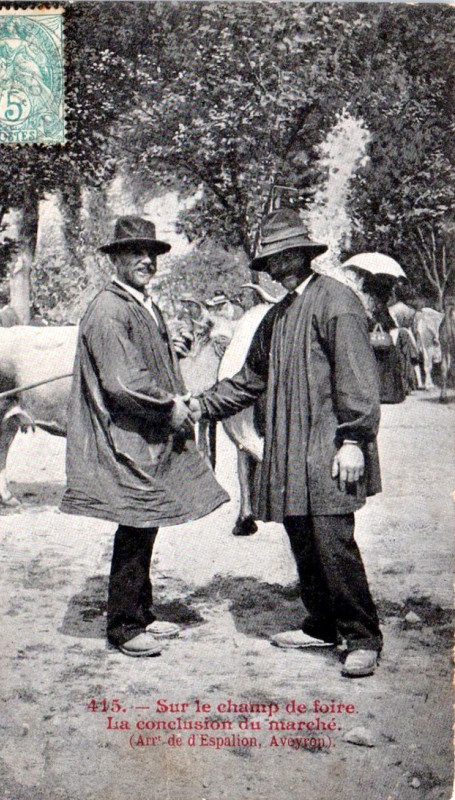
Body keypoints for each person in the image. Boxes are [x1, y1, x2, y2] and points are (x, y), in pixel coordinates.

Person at [190, 209, 405, 678]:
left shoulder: (337, 302)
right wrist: (200, 405)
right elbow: (249, 379)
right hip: (289, 448)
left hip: (330, 446)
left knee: (333, 542)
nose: (278, 265)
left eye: (286, 255)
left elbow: (358, 378)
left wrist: (354, 440)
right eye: (271, 259)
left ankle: (362, 636)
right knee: (302, 538)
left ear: (304, 255)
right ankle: (321, 624)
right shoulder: (278, 315)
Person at [60, 215, 229, 657]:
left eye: (151, 253)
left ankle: (142, 612)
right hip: (126, 435)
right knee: (135, 523)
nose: (145, 260)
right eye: (134, 252)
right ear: (114, 260)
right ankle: (124, 626)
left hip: (145, 432)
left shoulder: (142, 304)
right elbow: (123, 382)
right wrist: (171, 407)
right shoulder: (108, 310)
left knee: (145, 522)